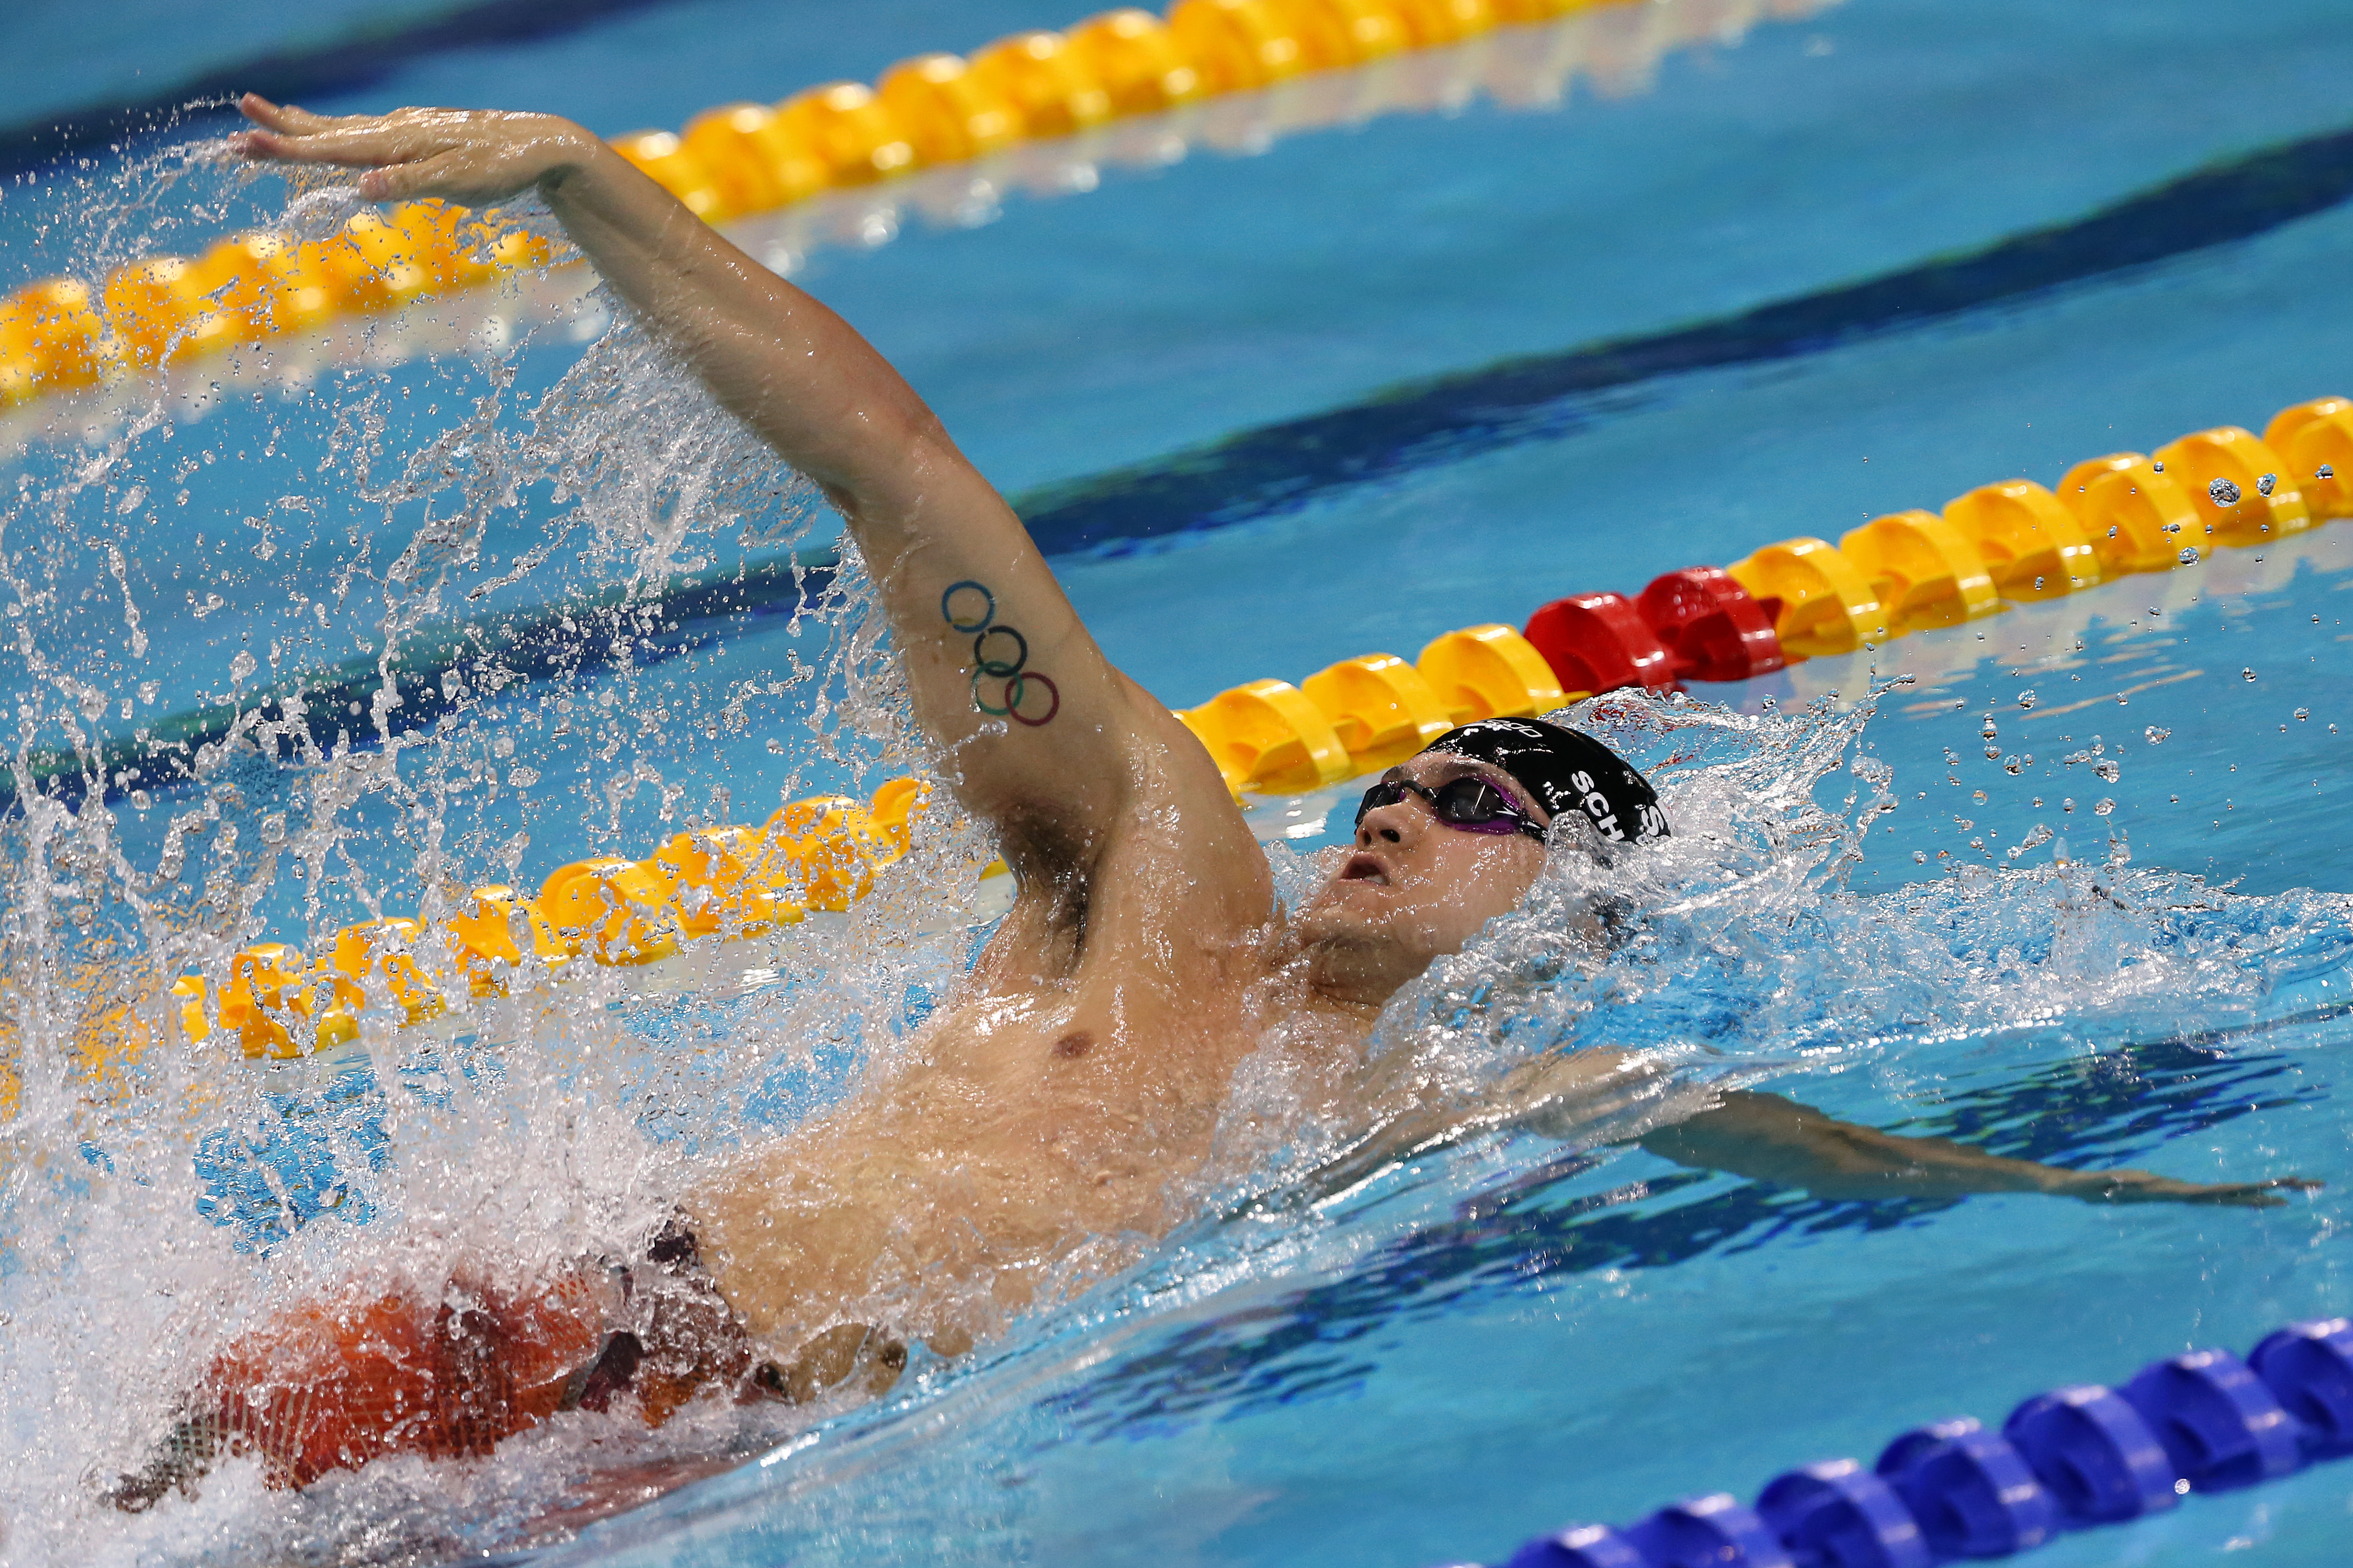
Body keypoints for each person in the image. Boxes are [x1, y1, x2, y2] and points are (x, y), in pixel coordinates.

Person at [104, 95, 2315, 1509]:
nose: (1389, 801)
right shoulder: (1152, 874)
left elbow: (1817, 1140)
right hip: (543, 1337)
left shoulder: (1428, 1104)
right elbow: (901, 472)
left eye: (1463, 802)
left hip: (693, 1462)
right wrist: (597, 189)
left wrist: (2170, 1217)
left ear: (1556, 904)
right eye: (1393, 771)